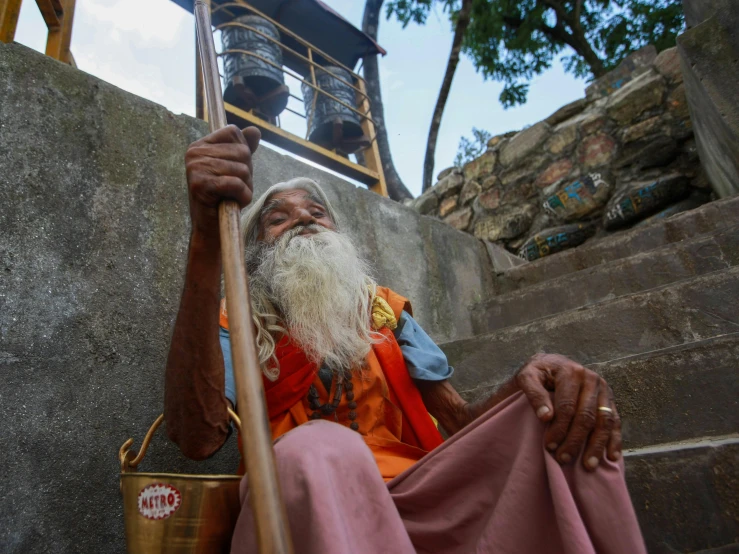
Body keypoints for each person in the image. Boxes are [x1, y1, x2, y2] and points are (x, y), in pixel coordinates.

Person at [164, 125, 647, 554]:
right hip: (302, 505)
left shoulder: (383, 312)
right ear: (254, 254)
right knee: (317, 445)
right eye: (278, 218)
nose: (305, 219)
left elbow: (460, 421)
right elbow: (198, 438)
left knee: (560, 411)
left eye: (317, 212)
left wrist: (532, 382)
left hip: (416, 490)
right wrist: (206, 238)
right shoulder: (237, 320)